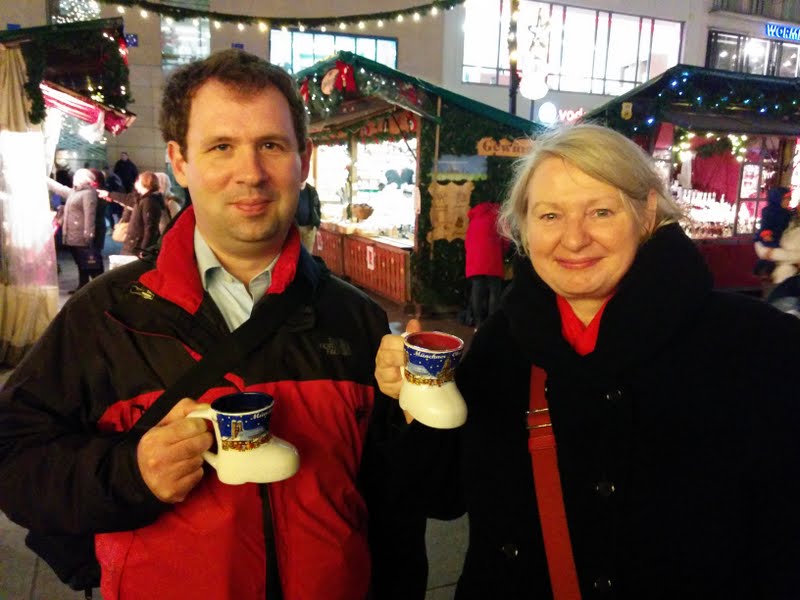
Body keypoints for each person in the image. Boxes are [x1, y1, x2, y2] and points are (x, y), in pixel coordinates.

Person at [0, 49, 422, 600]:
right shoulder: (103, 315)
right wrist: (131, 472)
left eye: (271, 145)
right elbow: (14, 458)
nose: (250, 173)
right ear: (179, 161)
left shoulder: (358, 318)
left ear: (304, 158)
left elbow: (399, 506)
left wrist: (425, 409)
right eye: (221, 146)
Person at [375, 124, 800, 598]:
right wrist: (418, 400)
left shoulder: (760, 346)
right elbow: (443, 494)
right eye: (550, 215)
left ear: (648, 213)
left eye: (600, 211)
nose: (573, 240)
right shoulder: (506, 339)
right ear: (523, 227)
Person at [46, 167, 101, 292]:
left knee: (87, 262)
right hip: (72, 233)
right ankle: (83, 285)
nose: (74, 178)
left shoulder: (88, 193)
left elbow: (89, 215)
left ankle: (93, 288)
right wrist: (45, 179)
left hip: (81, 234)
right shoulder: (74, 192)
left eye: (77, 177)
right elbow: (60, 188)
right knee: (80, 262)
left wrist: (89, 234)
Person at [100, 171, 165, 258]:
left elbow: (150, 228)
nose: (136, 183)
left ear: (145, 183)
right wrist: (109, 194)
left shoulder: (148, 201)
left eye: (138, 180)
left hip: (136, 245)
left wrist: (144, 250)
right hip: (134, 244)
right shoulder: (143, 198)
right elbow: (127, 199)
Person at [464, 201, 508, 329]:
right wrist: (503, 253)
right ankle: (491, 325)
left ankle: (478, 323)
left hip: (475, 259)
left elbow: (468, 241)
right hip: (492, 257)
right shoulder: (499, 216)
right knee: (494, 290)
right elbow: (506, 238)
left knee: (477, 289)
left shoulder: (474, 218)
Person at [295, 180, 321, 252]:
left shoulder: (312, 191)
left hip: (309, 228)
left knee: (308, 254)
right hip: (296, 228)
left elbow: (317, 207)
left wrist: (317, 224)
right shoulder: (293, 190)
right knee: (297, 254)